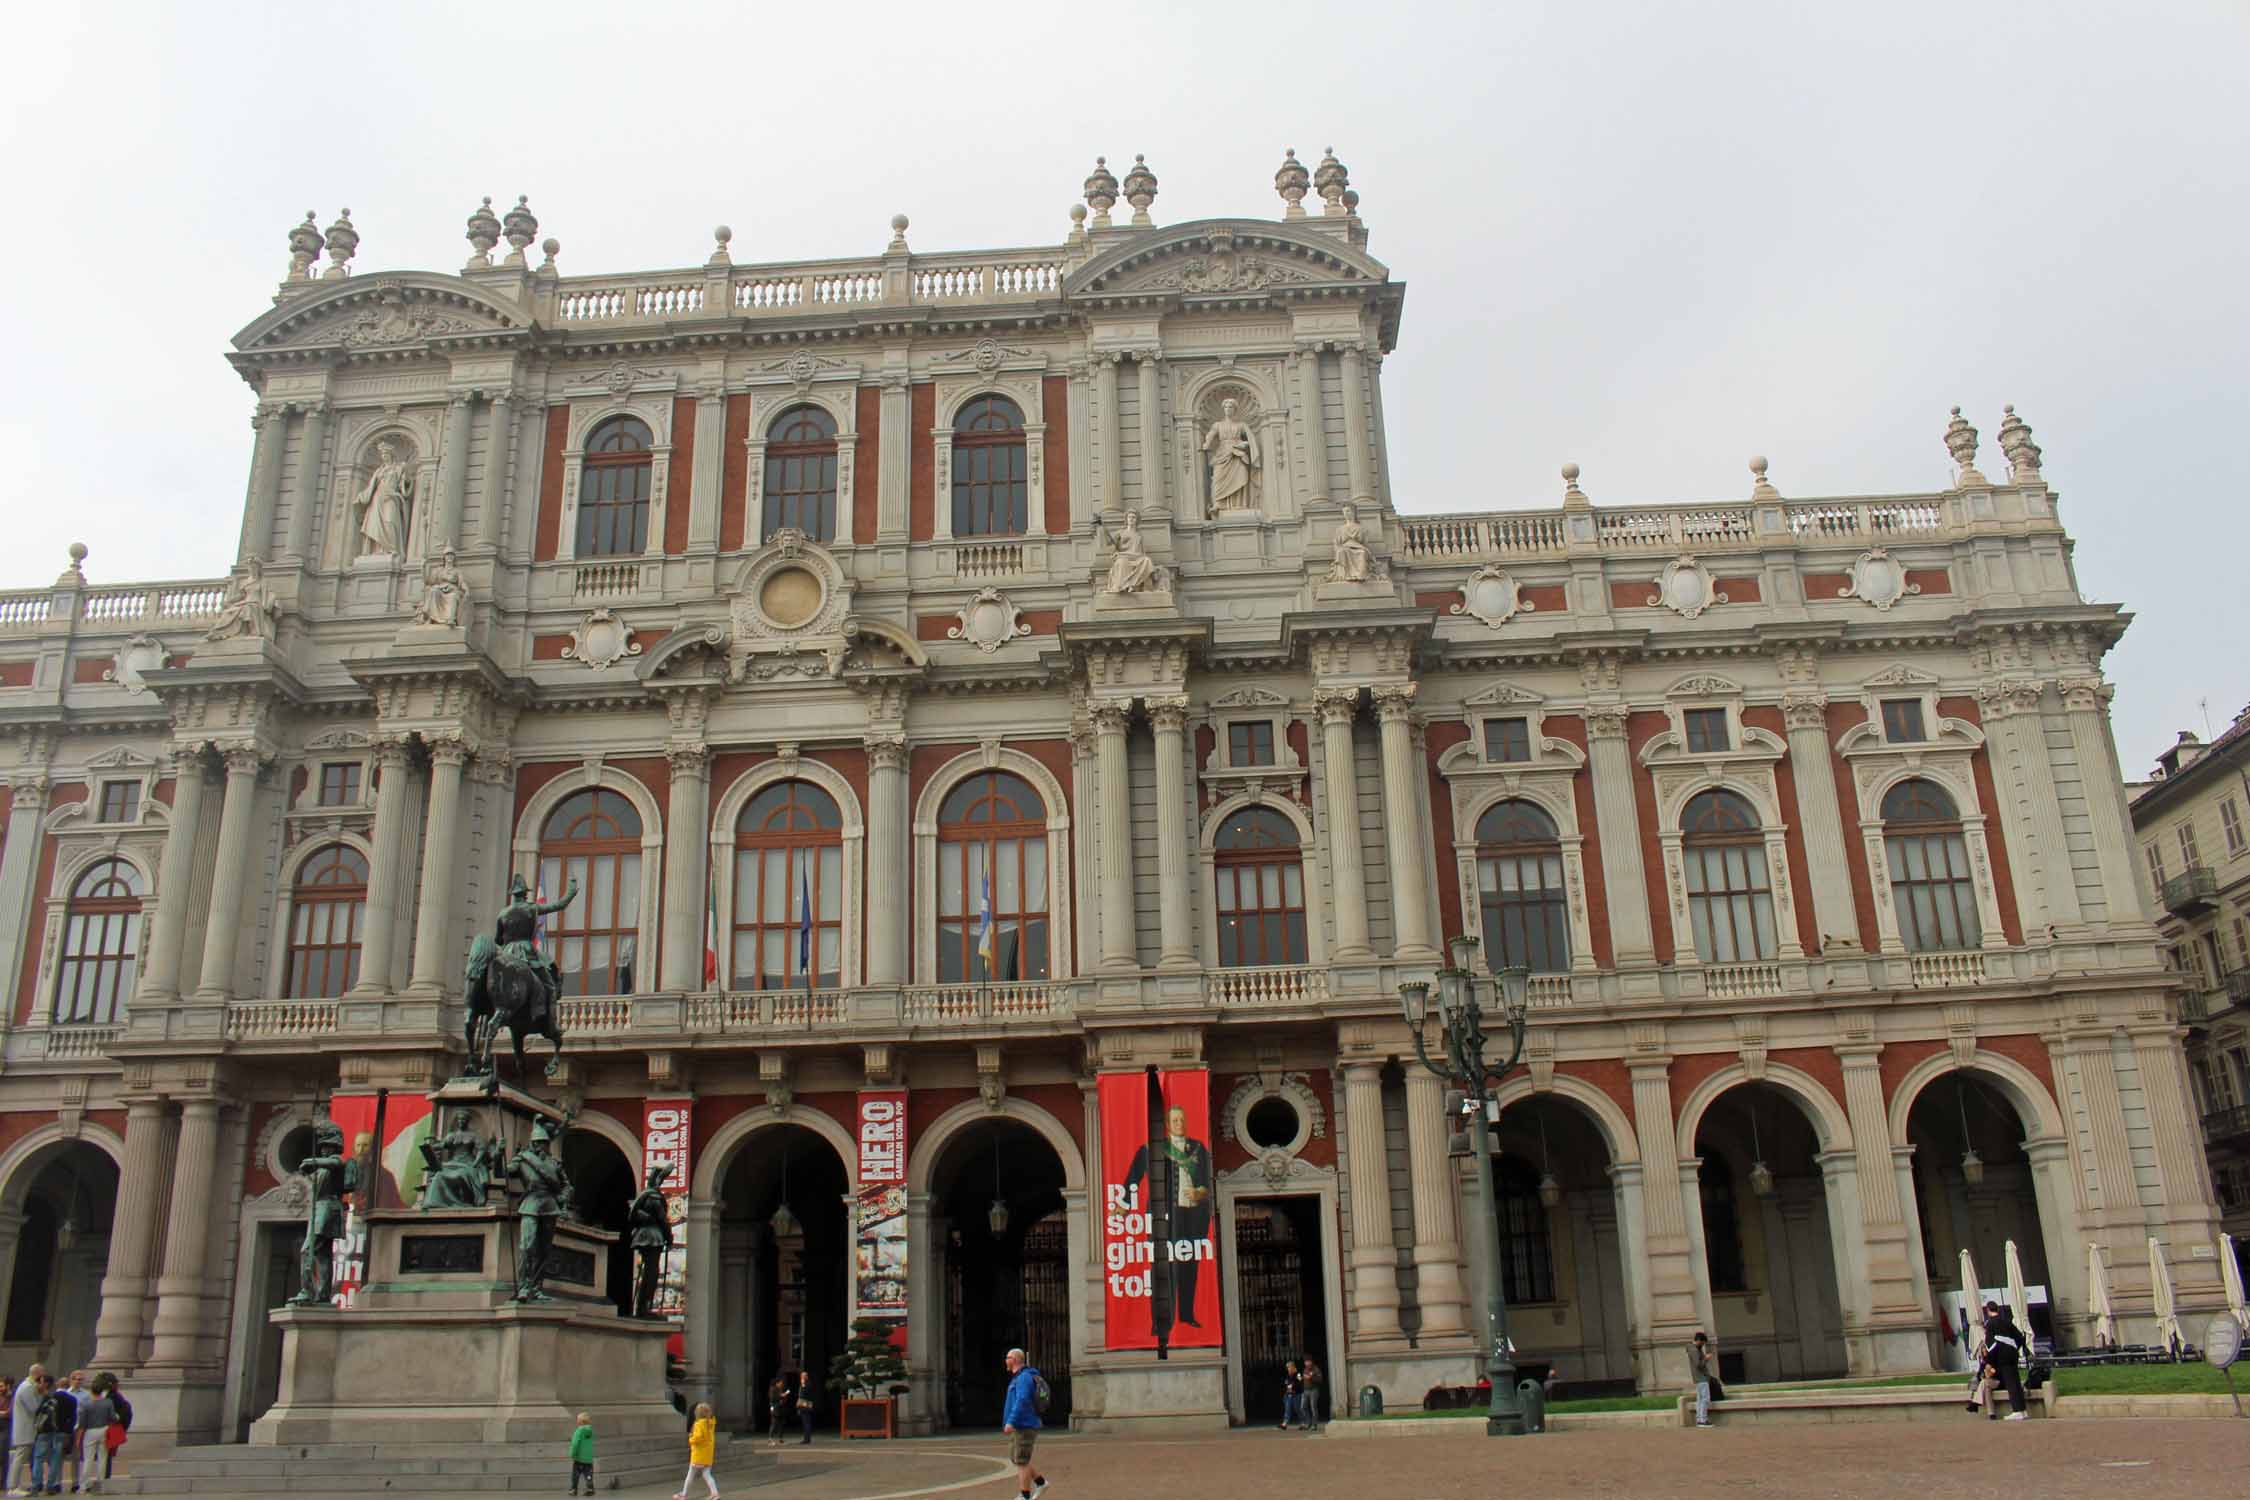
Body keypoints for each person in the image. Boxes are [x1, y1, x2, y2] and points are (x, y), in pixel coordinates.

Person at [1120, 1106, 1215, 1329]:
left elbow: (1207, 1181)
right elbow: (1133, 1176)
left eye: (1182, 1119)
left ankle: (1186, 1315)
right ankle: (1160, 1321)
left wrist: (1200, 1192)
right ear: (1167, 1124)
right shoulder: (1152, 1149)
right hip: (1162, 1217)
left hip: (1192, 1215)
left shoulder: (1199, 1148)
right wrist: (1123, 1204)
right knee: (1161, 1269)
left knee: (1189, 1265)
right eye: (1175, 1120)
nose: (1180, 1123)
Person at [1000, 1348, 1046, 1500]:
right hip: (1021, 1425)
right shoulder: (1019, 1377)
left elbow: (1022, 1400)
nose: (1005, 1360)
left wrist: (1011, 1421)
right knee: (1017, 1458)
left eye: (1007, 1357)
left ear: (1014, 1359)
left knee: (1021, 1461)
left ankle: (1024, 1495)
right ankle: (1041, 1482)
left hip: (1024, 1425)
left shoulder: (1023, 1378)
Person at [1980, 1300, 2029, 1420]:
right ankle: (2023, 1410)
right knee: (2016, 1381)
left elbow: (1990, 1346)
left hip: (2002, 1356)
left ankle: (2017, 1410)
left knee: (2010, 1383)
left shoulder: (1990, 1324)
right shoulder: (2007, 1321)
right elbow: (2020, 1337)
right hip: (2013, 1355)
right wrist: (2014, 1348)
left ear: (1987, 1310)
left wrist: (1988, 1361)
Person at [32, 1372, 74, 1496]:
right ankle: (51, 1485)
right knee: (55, 1459)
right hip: (60, 1432)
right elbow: (73, 1418)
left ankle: (36, 1485)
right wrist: (68, 1432)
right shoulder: (71, 1399)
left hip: (45, 1431)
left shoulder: (48, 1398)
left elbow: (38, 1414)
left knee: (39, 1458)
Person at [71, 1376, 113, 1495]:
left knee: (88, 1459)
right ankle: (101, 1484)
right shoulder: (108, 1402)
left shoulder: (85, 1403)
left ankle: (84, 1485)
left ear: (91, 1391)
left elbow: (82, 1422)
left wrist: (79, 1438)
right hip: (104, 1429)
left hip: (90, 1431)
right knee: (102, 1458)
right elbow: (113, 1417)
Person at [675, 1401, 718, 1500]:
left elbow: (698, 1437)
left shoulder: (699, 1424)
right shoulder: (710, 1424)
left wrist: (691, 1439)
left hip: (698, 1454)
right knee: (707, 1474)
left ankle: (684, 1494)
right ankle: (715, 1493)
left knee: (690, 1475)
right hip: (708, 1454)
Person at [7, 1365, 39, 1497]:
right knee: (19, 1458)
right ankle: (12, 1487)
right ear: (38, 1374)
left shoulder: (27, 1386)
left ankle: (14, 1485)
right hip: (24, 1429)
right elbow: (34, 1408)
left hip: (25, 1428)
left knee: (19, 1458)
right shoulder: (27, 1387)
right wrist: (41, 1394)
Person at [1688, 1332, 1717, 1428]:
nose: (1703, 1345)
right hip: (1701, 1377)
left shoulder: (1693, 1349)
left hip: (1699, 1378)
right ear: (1699, 1340)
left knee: (1700, 1399)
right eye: (1703, 1343)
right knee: (1704, 1399)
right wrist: (1706, 1358)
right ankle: (1703, 1420)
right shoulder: (1694, 1350)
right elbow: (1699, 1365)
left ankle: (1700, 1419)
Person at [568, 1411, 595, 1495]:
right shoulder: (590, 1431)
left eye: (577, 1419)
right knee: (588, 1474)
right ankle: (590, 1488)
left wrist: (572, 1453)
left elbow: (575, 1443)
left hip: (579, 1458)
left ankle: (573, 1489)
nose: (577, 1421)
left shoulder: (579, 1431)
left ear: (580, 1421)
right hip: (588, 1459)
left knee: (575, 1475)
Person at [1299, 1358, 1324, 1431]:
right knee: (1302, 1407)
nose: (1306, 1363)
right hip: (1305, 1390)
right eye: (1305, 1362)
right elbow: (1303, 1379)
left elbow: (1320, 1379)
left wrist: (1311, 1378)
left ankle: (1314, 1425)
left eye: (1308, 1362)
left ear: (1311, 1362)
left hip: (1314, 1390)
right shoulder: (1305, 1369)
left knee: (1313, 1408)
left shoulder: (1316, 1369)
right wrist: (1300, 1378)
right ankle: (1309, 1422)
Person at [765, 1376, 790, 1450]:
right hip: (775, 1408)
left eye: (782, 1383)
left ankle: (780, 1439)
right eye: (780, 1383)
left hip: (781, 1409)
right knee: (774, 1424)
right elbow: (772, 1398)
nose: (782, 1384)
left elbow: (782, 1398)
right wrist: (781, 1396)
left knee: (781, 1424)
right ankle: (770, 1440)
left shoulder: (780, 1389)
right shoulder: (772, 1389)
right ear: (777, 1383)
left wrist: (784, 1396)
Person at [795, 1369, 815, 1446]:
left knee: (806, 1422)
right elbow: (800, 1395)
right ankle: (807, 1438)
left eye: (804, 1376)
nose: (802, 1377)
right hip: (803, 1404)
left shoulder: (807, 1383)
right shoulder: (803, 1384)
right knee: (805, 1422)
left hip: (805, 1405)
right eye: (801, 1376)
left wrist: (803, 1384)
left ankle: (807, 1439)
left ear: (806, 1377)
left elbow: (805, 1393)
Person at [1279, 1361, 1299, 1429]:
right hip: (1288, 1394)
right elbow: (1286, 1383)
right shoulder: (1287, 1375)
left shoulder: (1298, 1374)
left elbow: (1300, 1382)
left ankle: (1304, 1422)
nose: (1288, 1368)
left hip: (1297, 1394)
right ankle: (1285, 1424)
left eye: (1289, 1367)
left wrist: (1293, 1386)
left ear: (1293, 1367)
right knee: (1287, 1409)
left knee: (1298, 1409)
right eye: (1287, 1367)